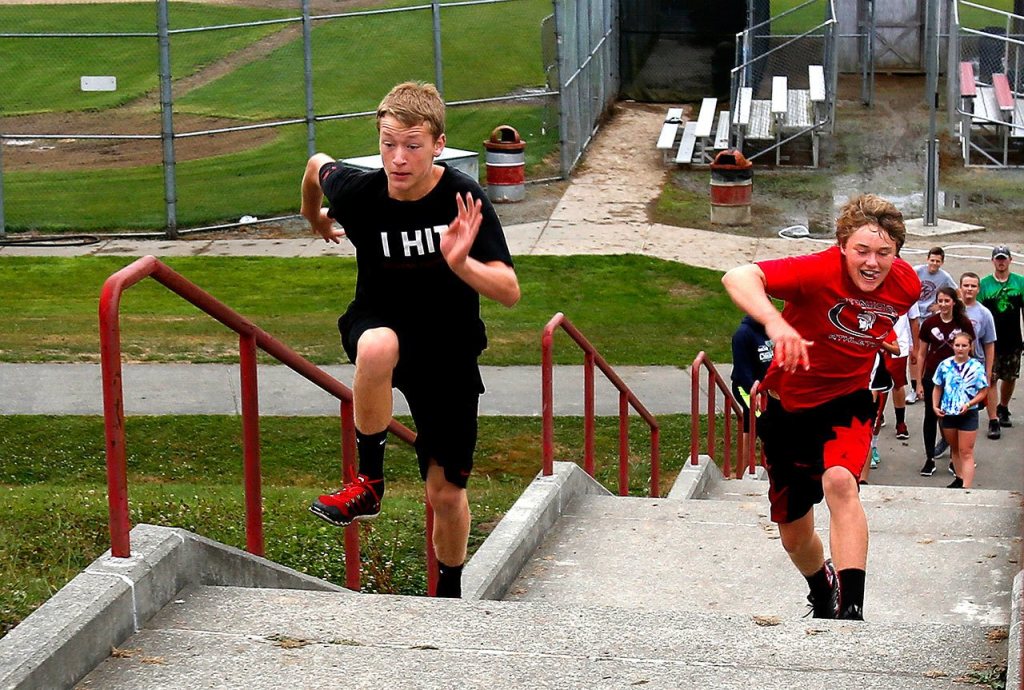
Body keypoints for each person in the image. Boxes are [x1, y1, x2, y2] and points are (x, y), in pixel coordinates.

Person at [299, 81, 521, 598]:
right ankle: (368, 483)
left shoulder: (462, 198)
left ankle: (448, 591)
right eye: (388, 143)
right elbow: (316, 165)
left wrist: (461, 262)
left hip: (448, 350)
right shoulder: (359, 193)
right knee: (377, 345)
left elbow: (509, 291)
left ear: (439, 144)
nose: (398, 159)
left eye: (413, 146)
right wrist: (315, 219)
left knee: (445, 493)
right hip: (379, 319)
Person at [721, 193, 919, 620]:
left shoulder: (907, 285)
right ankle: (821, 585)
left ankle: (851, 613)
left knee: (841, 483)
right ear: (842, 246)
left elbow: (871, 318)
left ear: (897, 254)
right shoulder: (816, 271)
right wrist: (776, 323)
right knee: (794, 534)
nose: (872, 262)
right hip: (785, 408)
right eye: (862, 250)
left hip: (846, 401)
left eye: (884, 253)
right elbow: (737, 276)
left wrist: (874, 338)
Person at [914, 287, 975, 478]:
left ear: (954, 302)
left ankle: (953, 457)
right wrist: (919, 382)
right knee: (931, 416)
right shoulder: (929, 323)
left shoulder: (963, 323)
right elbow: (922, 353)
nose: (943, 304)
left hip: (956, 380)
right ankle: (930, 458)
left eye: (947, 301)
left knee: (954, 417)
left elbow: (969, 351)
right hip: (933, 376)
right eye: (940, 301)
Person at [932, 332, 989, 489]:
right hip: (949, 412)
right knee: (955, 449)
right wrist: (935, 406)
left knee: (966, 451)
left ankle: (967, 486)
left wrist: (969, 404)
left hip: (968, 413)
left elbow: (983, 391)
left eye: (964, 345)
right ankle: (959, 477)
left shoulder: (976, 367)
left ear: (970, 347)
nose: (960, 349)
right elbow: (938, 387)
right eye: (957, 345)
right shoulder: (944, 365)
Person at [979, 245, 1024, 434]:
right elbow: (979, 314)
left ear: (1010, 260)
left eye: (1004, 258)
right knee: (991, 378)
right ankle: (993, 420)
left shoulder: (1020, 282)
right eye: (998, 258)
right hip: (991, 341)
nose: (1001, 262)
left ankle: (1003, 407)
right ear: (993, 261)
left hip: (1013, 339)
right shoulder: (984, 284)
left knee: (1010, 377)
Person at [730, 315, 774, 479]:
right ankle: (745, 472)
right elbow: (742, 370)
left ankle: (744, 471)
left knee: (751, 426)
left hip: (765, 390)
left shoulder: (767, 331)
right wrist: (752, 392)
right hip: (746, 388)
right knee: (763, 424)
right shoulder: (743, 334)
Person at [909, 247, 956, 397]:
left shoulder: (945, 277)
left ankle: (926, 385)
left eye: (937, 261)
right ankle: (914, 387)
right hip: (915, 316)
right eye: (932, 260)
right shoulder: (916, 271)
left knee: (927, 352)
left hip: (930, 317)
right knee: (914, 352)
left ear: (942, 262)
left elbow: (956, 293)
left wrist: (938, 305)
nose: (934, 264)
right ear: (927, 259)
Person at [958, 272, 998, 440]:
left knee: (971, 406)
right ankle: (949, 438)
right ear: (960, 288)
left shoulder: (984, 313)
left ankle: (993, 420)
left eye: (973, 286)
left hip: (975, 364)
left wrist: (988, 371)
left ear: (978, 289)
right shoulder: (953, 309)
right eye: (966, 285)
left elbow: (989, 344)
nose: (969, 289)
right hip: (954, 364)